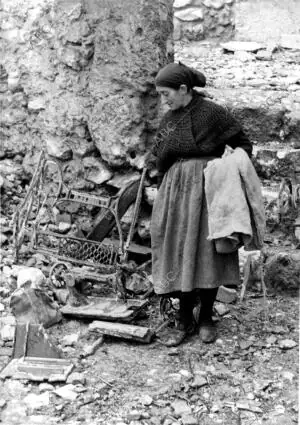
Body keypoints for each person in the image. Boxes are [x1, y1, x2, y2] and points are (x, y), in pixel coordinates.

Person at [149, 62, 253, 347]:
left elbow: (243, 145)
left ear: (184, 89)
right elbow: (159, 154)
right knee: (179, 248)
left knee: (209, 252)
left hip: (210, 190)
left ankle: (206, 317)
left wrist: (226, 170)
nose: (164, 99)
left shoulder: (213, 114)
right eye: (160, 94)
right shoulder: (170, 119)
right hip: (176, 191)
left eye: (167, 93)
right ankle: (183, 317)